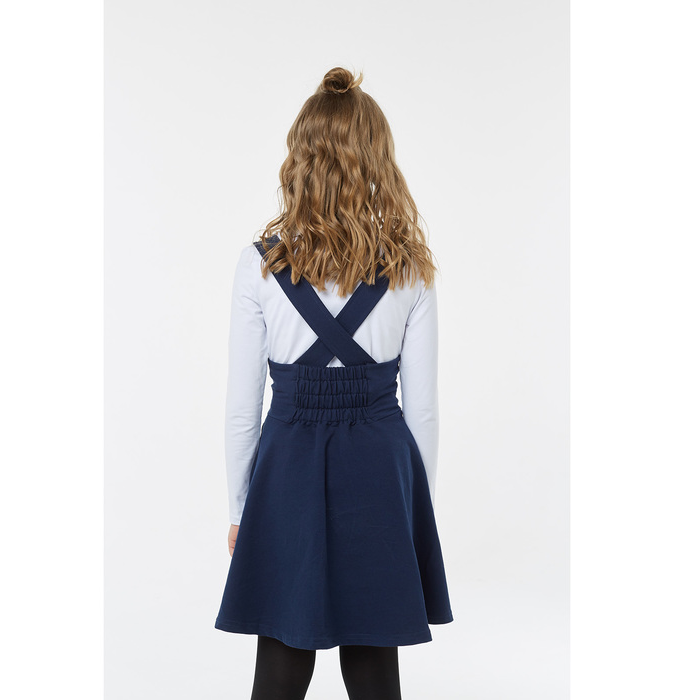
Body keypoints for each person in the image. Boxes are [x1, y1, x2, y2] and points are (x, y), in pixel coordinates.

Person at [214, 66, 454, 700]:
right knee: (373, 659)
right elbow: (422, 410)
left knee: (282, 656)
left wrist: (239, 509)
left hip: (286, 464)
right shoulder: (410, 267)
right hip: (379, 463)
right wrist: (414, 507)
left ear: (300, 156)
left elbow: (242, 408)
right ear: (377, 157)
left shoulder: (259, 265)